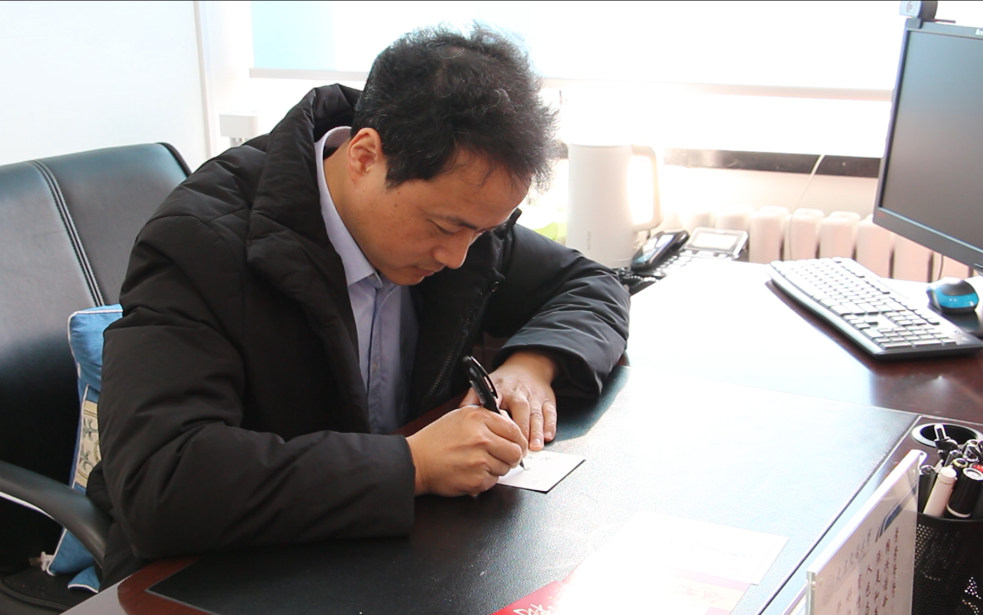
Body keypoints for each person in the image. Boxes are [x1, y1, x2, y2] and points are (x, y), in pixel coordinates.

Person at [89, 24, 630, 586]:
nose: (456, 257)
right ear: (365, 156)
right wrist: (412, 465)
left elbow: (593, 285)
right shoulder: (199, 243)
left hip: (383, 556)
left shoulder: (461, 210)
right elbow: (162, 481)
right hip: (220, 575)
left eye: (482, 231)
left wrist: (532, 365)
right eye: (446, 227)